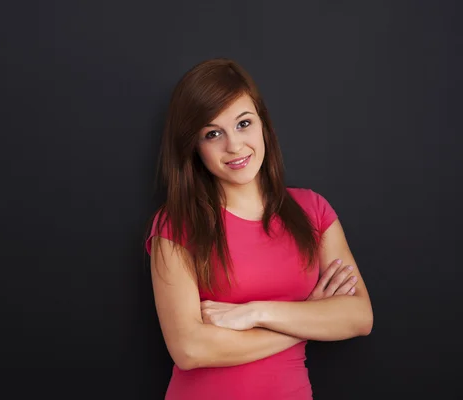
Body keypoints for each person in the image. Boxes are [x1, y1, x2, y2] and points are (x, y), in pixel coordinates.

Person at [144, 58, 374, 400]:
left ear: (263, 125)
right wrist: (307, 318)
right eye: (213, 133)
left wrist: (254, 312)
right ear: (194, 147)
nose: (234, 146)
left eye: (243, 123)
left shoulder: (312, 210)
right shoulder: (175, 224)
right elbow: (190, 349)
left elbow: (358, 316)